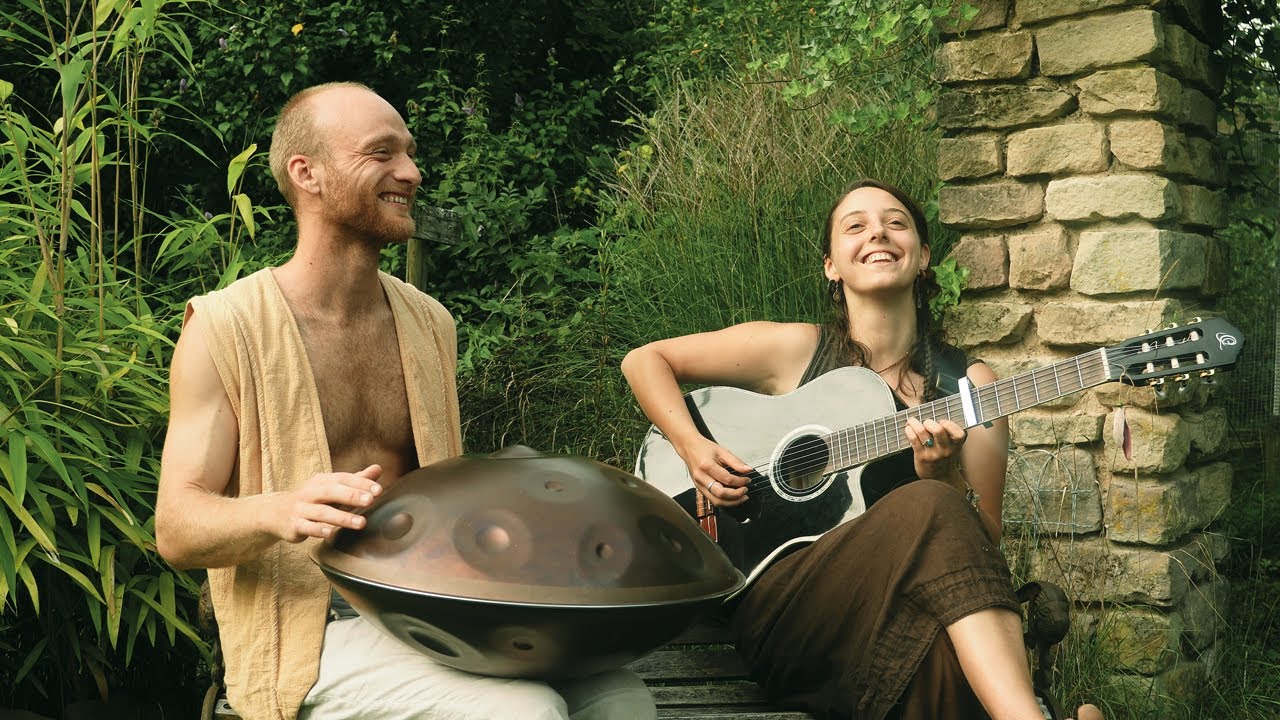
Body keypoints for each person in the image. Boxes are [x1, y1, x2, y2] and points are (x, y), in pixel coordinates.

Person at [155, 82, 655, 720]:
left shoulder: (429, 323)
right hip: (310, 629)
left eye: (411, 153)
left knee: (620, 700)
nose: (412, 172)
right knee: (525, 713)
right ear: (306, 173)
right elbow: (176, 527)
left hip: (437, 605)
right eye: (381, 153)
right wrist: (280, 510)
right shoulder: (226, 329)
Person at [620, 179, 1105, 720]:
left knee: (943, 625)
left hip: (899, 616)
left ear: (923, 256)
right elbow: (644, 361)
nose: (877, 231)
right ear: (832, 265)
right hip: (785, 607)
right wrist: (694, 450)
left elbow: (981, 545)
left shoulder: (971, 387)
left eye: (896, 223)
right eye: (856, 225)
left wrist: (942, 477)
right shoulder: (797, 350)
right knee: (931, 509)